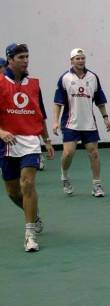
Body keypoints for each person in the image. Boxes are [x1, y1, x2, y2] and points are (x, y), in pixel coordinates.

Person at [0, 43, 55, 251]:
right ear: (10, 59)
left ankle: (30, 234)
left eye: (27, 57)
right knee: (13, 192)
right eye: (21, 57)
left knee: (27, 183)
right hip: (7, 144)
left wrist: (47, 140)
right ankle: (33, 213)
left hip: (30, 141)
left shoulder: (33, 84)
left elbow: (39, 115)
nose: (25, 60)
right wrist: (1, 132)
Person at [53, 48, 110, 197]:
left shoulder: (93, 77)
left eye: (82, 58)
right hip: (70, 124)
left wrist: (105, 117)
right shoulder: (65, 78)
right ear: (71, 61)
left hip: (89, 124)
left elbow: (100, 100)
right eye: (77, 58)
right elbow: (58, 103)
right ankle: (64, 177)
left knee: (94, 153)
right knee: (68, 153)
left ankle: (97, 185)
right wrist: (55, 122)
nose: (80, 61)